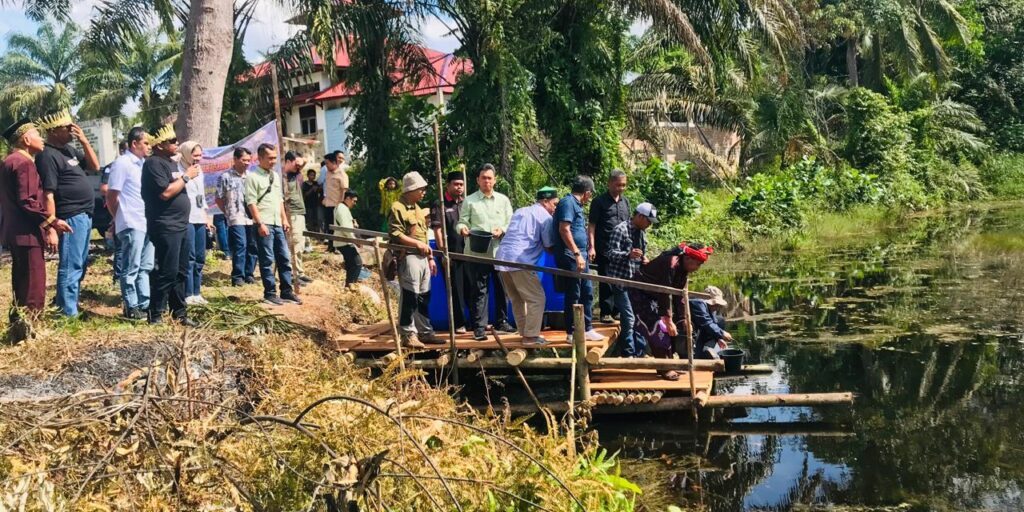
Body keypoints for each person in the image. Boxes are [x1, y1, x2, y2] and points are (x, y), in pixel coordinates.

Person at [0, 120, 72, 334]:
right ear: (26, 139)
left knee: (21, 281)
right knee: (34, 283)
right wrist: (52, 221)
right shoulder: (24, 163)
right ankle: (32, 328)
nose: (42, 139)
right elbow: (28, 201)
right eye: (37, 135)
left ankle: (18, 326)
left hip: (15, 231)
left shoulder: (8, 161)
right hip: (27, 233)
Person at [35, 109, 100, 317]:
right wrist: (52, 224)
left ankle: (69, 304)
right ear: (53, 131)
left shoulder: (70, 150)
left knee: (79, 263)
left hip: (84, 214)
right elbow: (48, 194)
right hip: (70, 215)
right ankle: (67, 312)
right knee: (70, 265)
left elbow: (95, 166)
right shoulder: (47, 154)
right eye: (67, 128)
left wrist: (84, 141)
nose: (72, 131)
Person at [140, 124, 198, 326]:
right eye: (172, 141)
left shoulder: (170, 163)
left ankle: (179, 313)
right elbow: (165, 193)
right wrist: (186, 177)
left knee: (181, 271)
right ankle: (155, 313)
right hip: (166, 225)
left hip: (181, 225)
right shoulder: (153, 164)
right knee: (167, 270)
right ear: (160, 145)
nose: (177, 143)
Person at [630, 243, 715, 380]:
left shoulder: (683, 270)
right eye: (697, 265)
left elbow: (679, 295)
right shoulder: (671, 265)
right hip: (642, 294)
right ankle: (665, 368)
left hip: (657, 296)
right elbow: (666, 292)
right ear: (688, 259)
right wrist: (668, 320)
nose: (697, 268)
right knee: (657, 328)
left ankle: (669, 363)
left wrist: (683, 318)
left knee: (676, 328)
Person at [455, 163, 514, 341]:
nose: (487, 181)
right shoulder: (470, 201)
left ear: (495, 180)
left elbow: (511, 222)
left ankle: (502, 321)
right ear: (478, 180)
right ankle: (479, 327)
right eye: (483, 178)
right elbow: (461, 222)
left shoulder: (503, 200)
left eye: (489, 178)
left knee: (502, 288)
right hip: (477, 253)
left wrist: (502, 230)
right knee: (479, 290)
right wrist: (463, 229)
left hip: (499, 252)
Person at [494, 187, 558, 345]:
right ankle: (530, 337)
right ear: (545, 201)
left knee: (516, 298)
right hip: (521, 261)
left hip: (502, 260)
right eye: (554, 204)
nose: (556, 208)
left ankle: (523, 332)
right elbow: (549, 246)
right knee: (537, 298)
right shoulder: (546, 218)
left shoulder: (520, 211)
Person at [388, 171, 441, 348]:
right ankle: (407, 333)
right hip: (409, 256)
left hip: (423, 258)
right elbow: (395, 233)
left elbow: (424, 235)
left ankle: (425, 331)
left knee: (424, 296)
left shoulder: (418, 208)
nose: (423, 192)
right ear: (411, 189)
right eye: (421, 189)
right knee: (410, 295)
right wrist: (416, 244)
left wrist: (431, 257)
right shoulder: (398, 207)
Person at [107, 127, 154, 320]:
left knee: (146, 266)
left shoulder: (143, 164)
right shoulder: (123, 163)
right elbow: (112, 195)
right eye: (146, 143)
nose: (149, 147)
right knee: (131, 266)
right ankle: (130, 306)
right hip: (131, 221)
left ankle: (144, 304)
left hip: (146, 221)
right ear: (134, 144)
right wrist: (119, 217)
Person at [246, 143, 301, 306]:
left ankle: (286, 291)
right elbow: (251, 203)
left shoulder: (275, 176)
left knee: (284, 257)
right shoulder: (252, 177)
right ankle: (270, 293)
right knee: (267, 259)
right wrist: (260, 223)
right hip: (264, 223)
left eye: (275, 158)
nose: (273, 161)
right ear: (260, 158)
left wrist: (284, 219)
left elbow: (279, 200)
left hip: (278, 223)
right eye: (270, 158)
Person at [551, 176, 605, 341]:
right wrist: (576, 253)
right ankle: (572, 331)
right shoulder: (568, 203)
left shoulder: (577, 205)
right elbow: (564, 229)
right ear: (587, 193)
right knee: (574, 292)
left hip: (581, 255)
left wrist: (587, 249)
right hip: (571, 255)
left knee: (586, 291)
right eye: (590, 194)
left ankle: (587, 328)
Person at [605, 202, 657, 357]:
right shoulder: (620, 229)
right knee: (629, 317)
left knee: (640, 316)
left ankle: (639, 351)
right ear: (640, 216)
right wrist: (627, 254)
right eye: (648, 221)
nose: (649, 225)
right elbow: (610, 253)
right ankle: (629, 353)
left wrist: (644, 259)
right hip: (621, 281)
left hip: (636, 281)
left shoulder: (641, 233)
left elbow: (643, 252)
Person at [588, 169, 631, 323]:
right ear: (609, 183)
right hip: (604, 248)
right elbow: (592, 225)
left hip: (622, 250)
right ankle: (605, 312)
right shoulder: (599, 202)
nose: (621, 188)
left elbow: (629, 225)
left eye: (624, 185)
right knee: (606, 280)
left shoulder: (625, 202)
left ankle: (617, 311)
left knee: (621, 279)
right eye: (618, 185)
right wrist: (591, 247)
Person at [430, 171, 469, 334]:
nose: (459, 187)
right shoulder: (440, 204)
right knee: (456, 290)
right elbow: (438, 230)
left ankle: (477, 322)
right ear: (448, 185)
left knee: (472, 288)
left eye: (461, 184)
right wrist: (443, 253)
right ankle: (460, 323)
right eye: (455, 184)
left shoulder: (466, 203)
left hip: (468, 252)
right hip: (451, 254)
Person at [216, 148, 258, 286]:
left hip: (251, 217)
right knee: (240, 245)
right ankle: (238, 276)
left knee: (253, 245)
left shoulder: (251, 176)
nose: (247, 163)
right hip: (236, 217)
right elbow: (219, 198)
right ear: (235, 159)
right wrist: (228, 212)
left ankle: (249, 274)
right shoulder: (225, 177)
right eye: (243, 160)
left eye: (248, 160)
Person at [179, 141, 214, 305]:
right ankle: (188, 293)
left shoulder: (200, 172)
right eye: (195, 155)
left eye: (200, 155)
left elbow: (200, 196)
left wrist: (206, 217)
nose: (198, 159)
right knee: (189, 257)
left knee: (200, 257)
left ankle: (197, 292)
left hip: (199, 217)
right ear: (186, 154)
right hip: (186, 218)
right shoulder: (179, 170)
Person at [282, 151, 312, 284]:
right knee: (293, 245)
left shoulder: (296, 174)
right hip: (291, 214)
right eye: (296, 163)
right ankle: (292, 274)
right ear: (287, 161)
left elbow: (303, 161)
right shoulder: (283, 176)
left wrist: (300, 161)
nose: (298, 166)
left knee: (300, 244)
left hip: (300, 213)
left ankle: (299, 271)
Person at [689, 285, 733, 358]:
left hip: (701, 328)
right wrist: (722, 333)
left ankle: (706, 348)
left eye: (718, 305)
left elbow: (713, 322)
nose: (717, 307)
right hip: (693, 328)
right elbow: (706, 322)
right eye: (715, 305)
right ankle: (697, 354)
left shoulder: (711, 308)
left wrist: (718, 338)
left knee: (720, 320)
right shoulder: (698, 303)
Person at [334, 190, 362, 287]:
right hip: (343, 242)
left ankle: (349, 286)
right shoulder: (342, 209)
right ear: (347, 198)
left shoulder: (343, 208)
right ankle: (351, 285)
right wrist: (355, 241)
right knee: (357, 264)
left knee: (351, 265)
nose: (354, 203)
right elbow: (346, 229)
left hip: (345, 241)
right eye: (354, 201)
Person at [320, 151, 348, 239]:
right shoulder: (328, 172)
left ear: (334, 163)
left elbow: (344, 191)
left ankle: (337, 246)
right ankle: (331, 246)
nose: (326, 166)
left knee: (337, 227)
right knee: (329, 226)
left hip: (336, 205)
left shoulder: (342, 174)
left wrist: (341, 205)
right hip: (328, 204)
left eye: (327, 163)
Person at [302, 168, 322, 237]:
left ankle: (316, 234)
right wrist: (312, 189)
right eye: (311, 175)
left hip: (316, 204)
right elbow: (305, 194)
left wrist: (318, 188)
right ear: (308, 175)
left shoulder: (316, 183)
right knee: (309, 220)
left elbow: (320, 190)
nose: (312, 177)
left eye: (314, 175)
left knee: (316, 220)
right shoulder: (304, 184)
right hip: (308, 205)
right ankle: (310, 234)